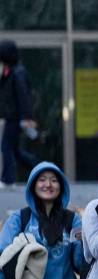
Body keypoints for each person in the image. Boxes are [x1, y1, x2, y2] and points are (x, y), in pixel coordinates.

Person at [0, 40, 39, 188]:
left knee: (6, 147)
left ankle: (8, 180)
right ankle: (40, 167)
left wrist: (27, 117)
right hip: (13, 116)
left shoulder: (18, 72)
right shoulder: (11, 71)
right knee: (15, 150)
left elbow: (24, 96)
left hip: (16, 117)